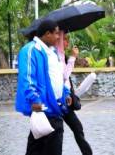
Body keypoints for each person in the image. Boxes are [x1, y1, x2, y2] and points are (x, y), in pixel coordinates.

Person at [16, 20, 72, 155]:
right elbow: (27, 79)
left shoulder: (52, 53)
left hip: (55, 110)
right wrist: (36, 102)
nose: (58, 37)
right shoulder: (30, 50)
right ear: (47, 34)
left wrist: (65, 93)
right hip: (44, 110)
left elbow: (57, 78)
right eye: (57, 34)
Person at [57, 31, 93, 155]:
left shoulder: (62, 56)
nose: (67, 42)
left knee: (77, 128)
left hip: (66, 100)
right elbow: (64, 76)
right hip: (59, 101)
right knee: (55, 134)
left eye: (67, 39)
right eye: (64, 40)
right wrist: (72, 57)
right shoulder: (56, 56)